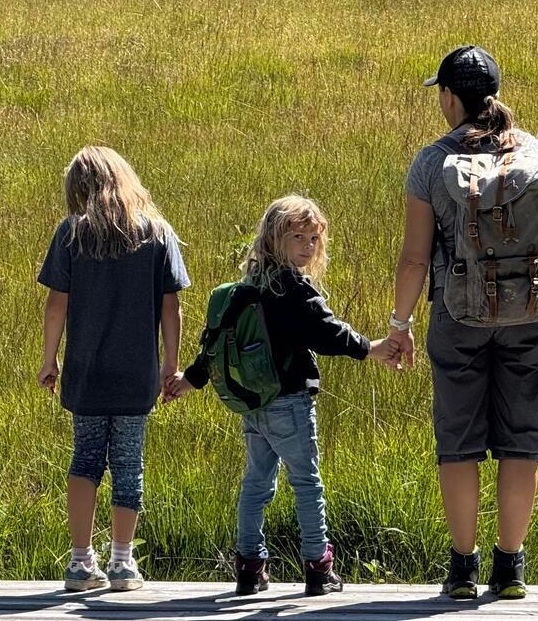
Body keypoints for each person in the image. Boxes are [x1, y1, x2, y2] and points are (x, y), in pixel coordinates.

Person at [381, 46, 538, 600]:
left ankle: (462, 571)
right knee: (522, 439)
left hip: (457, 316)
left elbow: (414, 259)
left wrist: (399, 325)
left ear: (450, 98)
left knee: (460, 441)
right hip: (532, 315)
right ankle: (511, 567)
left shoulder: (431, 162)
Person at [165, 196, 392, 596]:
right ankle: (318, 566)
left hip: (254, 404)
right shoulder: (293, 287)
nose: (308, 246)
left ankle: (250, 567)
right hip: (290, 402)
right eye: (298, 237)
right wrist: (369, 348)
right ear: (274, 239)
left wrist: (191, 379)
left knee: (256, 484)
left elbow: (215, 343)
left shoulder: (248, 287)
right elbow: (326, 332)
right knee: (307, 482)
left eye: (314, 238)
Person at [38, 146, 190, 593]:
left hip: (85, 373)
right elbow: (171, 307)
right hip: (136, 374)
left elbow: (56, 304)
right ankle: (122, 562)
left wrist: (50, 359)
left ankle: (80, 561)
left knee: (85, 460)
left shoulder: (71, 233)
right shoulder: (157, 233)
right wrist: (170, 364)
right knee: (128, 464)